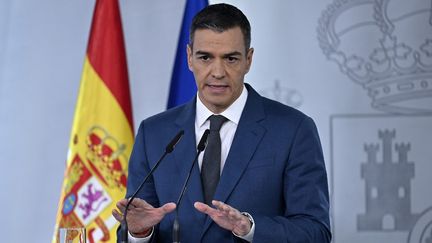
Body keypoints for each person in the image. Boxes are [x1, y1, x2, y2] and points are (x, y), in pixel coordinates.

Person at [113, 3, 331, 242]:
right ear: (189, 58)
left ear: (248, 60)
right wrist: (139, 232)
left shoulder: (293, 130)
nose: (217, 72)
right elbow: (133, 227)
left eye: (230, 58)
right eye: (205, 57)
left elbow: (316, 232)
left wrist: (250, 228)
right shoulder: (154, 133)